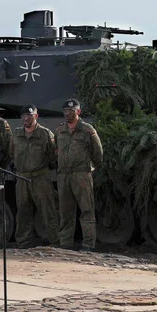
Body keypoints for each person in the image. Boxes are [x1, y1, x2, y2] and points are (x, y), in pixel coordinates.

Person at [55, 98, 103, 252]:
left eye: (71, 111)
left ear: (78, 112)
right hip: (64, 175)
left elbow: (98, 153)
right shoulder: (60, 131)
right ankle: (65, 242)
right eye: (65, 111)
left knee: (86, 210)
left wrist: (90, 168)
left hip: (81, 174)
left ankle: (88, 243)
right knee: (65, 211)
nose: (67, 113)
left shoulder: (87, 130)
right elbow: (55, 151)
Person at [10, 105, 59, 249]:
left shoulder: (45, 134)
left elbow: (53, 157)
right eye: (24, 116)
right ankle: (23, 243)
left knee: (48, 211)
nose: (26, 118)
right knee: (23, 212)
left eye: (29, 116)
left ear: (36, 116)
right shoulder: (16, 134)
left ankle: (55, 241)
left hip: (40, 178)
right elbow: (11, 153)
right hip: (22, 178)